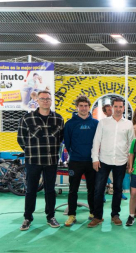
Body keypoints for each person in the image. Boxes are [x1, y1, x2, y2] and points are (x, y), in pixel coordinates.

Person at [17, 90, 65, 230]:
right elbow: (21, 138)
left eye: (48, 99)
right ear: (37, 100)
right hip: (33, 160)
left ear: (51, 101)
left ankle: (51, 216)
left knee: (50, 190)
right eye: (42, 99)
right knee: (31, 190)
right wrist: (31, 151)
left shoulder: (58, 118)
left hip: (51, 161)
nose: (45, 101)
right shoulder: (27, 118)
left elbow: (60, 138)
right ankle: (27, 218)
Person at [88, 97, 134, 228]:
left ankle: (115, 214)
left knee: (118, 189)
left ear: (123, 108)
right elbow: (96, 141)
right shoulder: (103, 123)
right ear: (112, 107)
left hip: (121, 161)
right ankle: (97, 216)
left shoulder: (128, 124)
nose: (118, 109)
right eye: (116, 107)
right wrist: (95, 159)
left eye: (121, 107)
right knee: (98, 189)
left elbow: (131, 144)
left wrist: (130, 162)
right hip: (104, 160)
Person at [63, 95, 99, 227]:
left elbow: (99, 142)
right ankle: (71, 215)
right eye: (81, 106)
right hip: (76, 162)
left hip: (92, 162)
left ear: (89, 107)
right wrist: (75, 154)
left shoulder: (95, 123)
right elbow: (67, 143)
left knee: (92, 189)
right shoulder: (70, 124)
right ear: (77, 107)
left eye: (86, 106)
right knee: (73, 190)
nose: (83, 108)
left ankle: (93, 212)